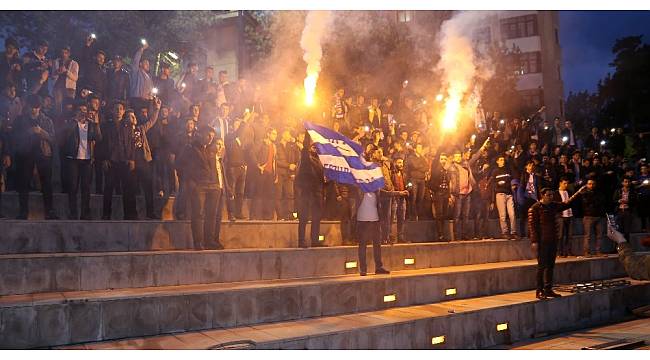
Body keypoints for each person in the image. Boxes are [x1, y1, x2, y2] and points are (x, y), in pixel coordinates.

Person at [528, 186, 585, 300]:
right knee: (542, 266)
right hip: (542, 241)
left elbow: (566, 204)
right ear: (542, 195)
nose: (551, 197)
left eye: (551, 195)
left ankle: (548, 289)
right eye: (548, 195)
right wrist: (535, 242)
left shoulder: (553, 206)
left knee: (550, 266)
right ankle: (539, 290)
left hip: (553, 240)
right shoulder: (535, 208)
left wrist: (578, 193)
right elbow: (532, 227)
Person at [178, 126, 226, 250]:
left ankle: (209, 241)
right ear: (201, 134)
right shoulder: (190, 148)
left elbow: (217, 166)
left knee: (212, 214)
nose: (210, 138)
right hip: (198, 185)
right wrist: (190, 181)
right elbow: (179, 164)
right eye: (208, 135)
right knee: (198, 214)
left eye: (212, 136)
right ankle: (198, 242)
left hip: (213, 185)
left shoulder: (211, 149)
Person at [12, 95, 57, 219]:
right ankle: (23, 212)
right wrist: (29, 132)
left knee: (46, 184)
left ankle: (49, 212)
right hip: (25, 155)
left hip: (43, 155)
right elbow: (14, 138)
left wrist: (42, 132)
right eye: (32, 107)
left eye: (37, 107)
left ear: (40, 107)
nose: (34, 110)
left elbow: (53, 139)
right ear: (28, 107)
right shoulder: (20, 120)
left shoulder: (47, 120)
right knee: (24, 184)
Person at [61, 102, 102, 219]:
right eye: (80, 109)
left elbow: (98, 138)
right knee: (73, 187)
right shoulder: (70, 123)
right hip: (73, 159)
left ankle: (85, 213)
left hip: (87, 159)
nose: (83, 112)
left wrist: (96, 123)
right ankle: (73, 213)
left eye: (85, 110)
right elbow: (66, 136)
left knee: (86, 188)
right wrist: (75, 121)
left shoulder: (91, 124)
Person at [357, 147, 391, 276]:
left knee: (377, 243)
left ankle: (379, 267)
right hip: (362, 218)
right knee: (363, 244)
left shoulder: (376, 185)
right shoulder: (359, 182)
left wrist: (399, 193)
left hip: (375, 217)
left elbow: (384, 192)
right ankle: (363, 269)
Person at [295, 133, 325, 248]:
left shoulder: (320, 161)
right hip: (307, 193)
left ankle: (315, 240)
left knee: (316, 218)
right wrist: (308, 133)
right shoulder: (306, 158)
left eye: (316, 147)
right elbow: (305, 148)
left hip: (317, 193)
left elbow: (322, 178)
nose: (315, 149)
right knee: (303, 217)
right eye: (313, 147)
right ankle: (301, 241)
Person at [578, 178, 607, 257]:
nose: (591, 185)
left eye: (593, 184)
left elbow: (601, 201)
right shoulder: (584, 193)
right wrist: (593, 200)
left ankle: (598, 251)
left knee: (599, 235)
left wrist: (593, 201)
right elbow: (586, 202)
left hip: (599, 216)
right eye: (589, 184)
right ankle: (586, 252)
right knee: (588, 236)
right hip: (588, 216)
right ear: (587, 184)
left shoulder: (599, 192)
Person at [275, 129, 299, 220]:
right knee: (279, 194)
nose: (290, 136)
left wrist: (294, 144)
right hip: (280, 173)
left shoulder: (291, 147)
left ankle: (289, 214)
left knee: (290, 194)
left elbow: (295, 158)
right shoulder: (276, 145)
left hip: (288, 174)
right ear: (283, 134)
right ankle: (280, 216)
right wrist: (288, 165)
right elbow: (276, 161)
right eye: (288, 134)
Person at [50, 46, 79, 114]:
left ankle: (67, 121)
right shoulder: (56, 62)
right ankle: (58, 121)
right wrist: (57, 72)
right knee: (58, 107)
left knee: (68, 107)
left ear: (69, 53)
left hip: (69, 88)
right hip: (57, 87)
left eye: (66, 53)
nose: (64, 54)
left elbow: (75, 78)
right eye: (62, 52)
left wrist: (66, 71)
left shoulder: (74, 63)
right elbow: (52, 76)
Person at [128, 42, 154, 112]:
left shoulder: (149, 77)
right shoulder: (136, 72)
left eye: (148, 64)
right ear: (140, 64)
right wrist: (142, 49)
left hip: (146, 102)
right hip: (136, 100)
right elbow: (135, 61)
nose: (148, 65)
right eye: (146, 63)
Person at [554, 177, 574, 257]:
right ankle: (559, 252)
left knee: (569, 235)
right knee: (560, 235)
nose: (566, 185)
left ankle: (568, 252)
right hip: (561, 216)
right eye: (564, 183)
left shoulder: (569, 192)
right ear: (560, 183)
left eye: (567, 183)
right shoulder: (556, 193)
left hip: (569, 215)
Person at [613, 176, 637, 242]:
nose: (627, 183)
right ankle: (618, 248)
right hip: (619, 211)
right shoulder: (618, 191)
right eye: (625, 182)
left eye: (628, 182)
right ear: (622, 183)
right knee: (618, 230)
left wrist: (627, 201)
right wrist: (618, 201)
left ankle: (626, 248)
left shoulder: (633, 191)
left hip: (628, 211)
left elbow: (635, 202)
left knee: (627, 231)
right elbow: (613, 201)